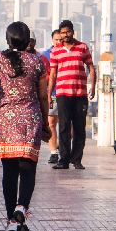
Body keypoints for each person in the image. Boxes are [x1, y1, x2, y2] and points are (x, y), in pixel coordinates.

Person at [0, 21, 50, 231]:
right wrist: (44, 121)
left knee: (9, 172)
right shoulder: (36, 61)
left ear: (7, 40)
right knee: (28, 168)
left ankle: (12, 220)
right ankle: (21, 207)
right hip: (30, 119)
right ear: (27, 41)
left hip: (5, 119)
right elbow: (43, 95)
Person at [48, 20, 96, 170]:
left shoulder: (82, 47)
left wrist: (93, 86)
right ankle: (63, 159)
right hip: (62, 93)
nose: (65, 35)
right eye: (62, 32)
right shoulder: (55, 51)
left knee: (79, 127)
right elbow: (53, 74)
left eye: (68, 32)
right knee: (63, 126)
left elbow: (90, 67)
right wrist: (49, 93)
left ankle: (77, 159)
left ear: (73, 32)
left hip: (80, 93)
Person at [43, 29, 63, 163]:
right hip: (52, 92)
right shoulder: (45, 55)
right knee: (51, 122)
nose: (58, 42)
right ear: (52, 40)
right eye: (56, 39)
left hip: (66, 92)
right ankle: (53, 152)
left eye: (60, 40)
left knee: (67, 123)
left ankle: (63, 146)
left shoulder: (68, 53)